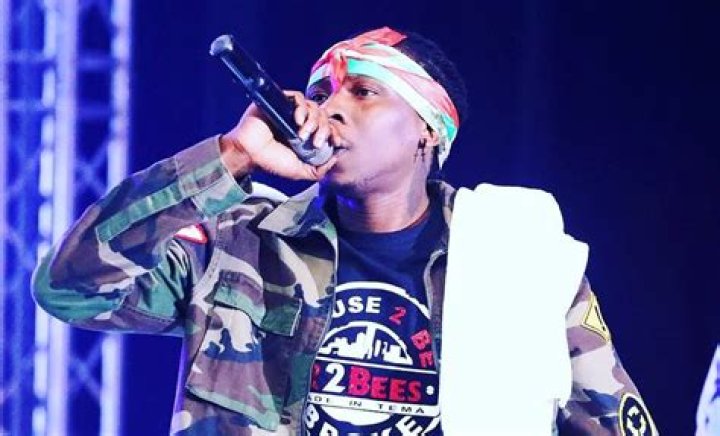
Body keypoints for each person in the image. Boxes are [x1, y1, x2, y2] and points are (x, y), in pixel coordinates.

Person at [33, 26, 655, 435]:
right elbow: (69, 289)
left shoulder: (517, 260)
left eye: (362, 91)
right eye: (321, 91)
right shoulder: (235, 244)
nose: (329, 106)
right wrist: (233, 157)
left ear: (428, 130)